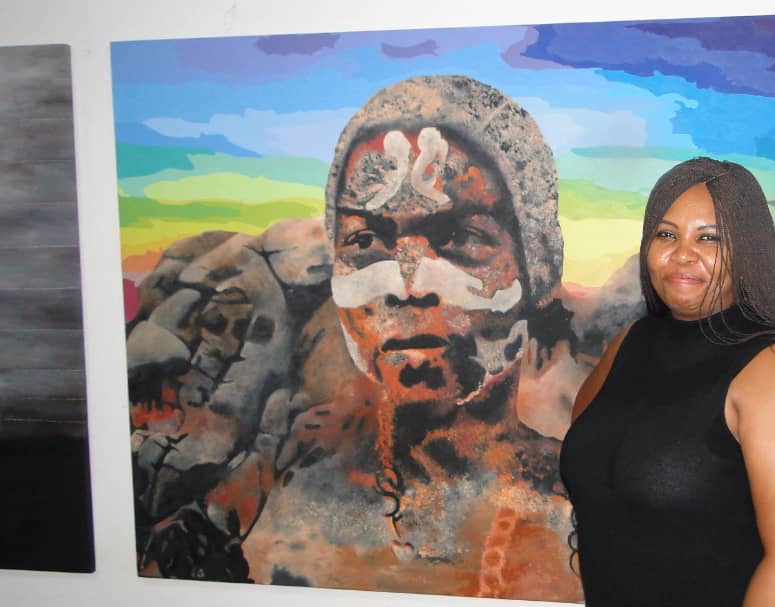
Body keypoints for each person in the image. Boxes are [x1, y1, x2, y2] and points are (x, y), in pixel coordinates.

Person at [126, 75, 606, 601]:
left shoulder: (583, 505)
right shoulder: (269, 485)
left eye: (460, 236)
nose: (407, 284)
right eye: (365, 240)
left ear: (538, 264)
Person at [560, 157, 775, 606]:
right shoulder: (629, 342)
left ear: (748, 250)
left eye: (709, 238)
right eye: (667, 235)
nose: (683, 253)